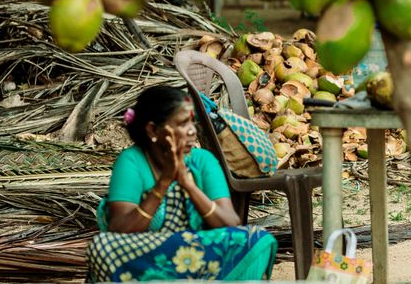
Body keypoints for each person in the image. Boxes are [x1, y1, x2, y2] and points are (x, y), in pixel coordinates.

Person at [86, 86, 278, 282]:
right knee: (103, 247)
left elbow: (230, 224)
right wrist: (164, 183)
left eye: (192, 123)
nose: (192, 131)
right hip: (146, 259)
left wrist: (189, 185)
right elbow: (118, 229)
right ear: (153, 129)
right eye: (183, 124)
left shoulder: (203, 160)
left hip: (199, 258)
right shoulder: (132, 161)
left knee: (256, 239)